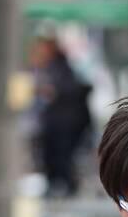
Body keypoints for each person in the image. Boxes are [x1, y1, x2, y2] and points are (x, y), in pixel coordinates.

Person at [29, 29, 92, 197]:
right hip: (57, 124)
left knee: (61, 159)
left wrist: (49, 91)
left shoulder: (62, 66)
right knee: (52, 158)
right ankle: (59, 186)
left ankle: (67, 188)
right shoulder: (48, 67)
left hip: (65, 124)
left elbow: (66, 89)